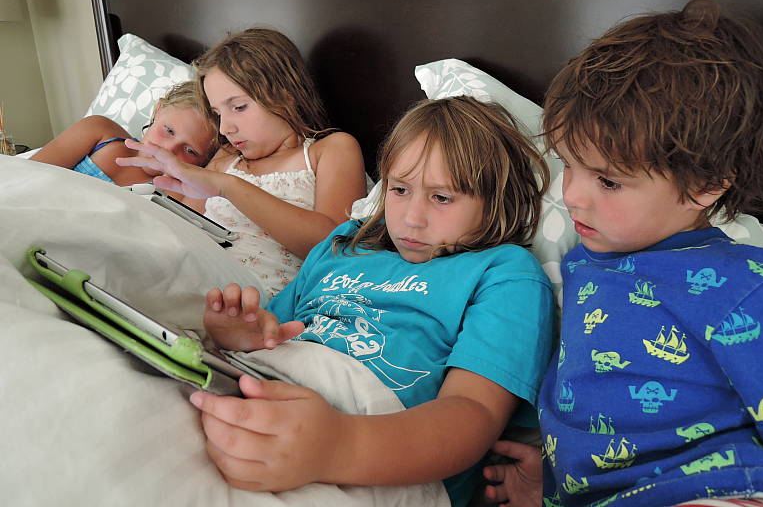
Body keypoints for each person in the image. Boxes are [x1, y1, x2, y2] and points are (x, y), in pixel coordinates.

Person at [482, 0, 763, 507]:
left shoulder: (756, 284)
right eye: (568, 164)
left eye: (608, 181)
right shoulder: (580, 262)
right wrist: (554, 483)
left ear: (704, 186)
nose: (572, 194)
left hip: (728, 487)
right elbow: (601, 412)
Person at [188, 96, 556, 507]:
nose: (411, 218)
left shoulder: (505, 273)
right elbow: (273, 337)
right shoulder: (346, 241)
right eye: (399, 189)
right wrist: (238, 336)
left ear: (496, 200)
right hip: (269, 396)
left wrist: (334, 446)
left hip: (373, 449)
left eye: (442, 197)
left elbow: (473, 413)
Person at [118, 28, 367, 298]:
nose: (225, 128)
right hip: (194, 278)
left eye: (238, 107)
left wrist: (230, 188)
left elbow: (332, 246)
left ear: (285, 94)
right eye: (217, 113)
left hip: (255, 299)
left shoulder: (330, 150)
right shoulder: (227, 159)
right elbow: (180, 232)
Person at [31, 81, 217, 189]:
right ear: (158, 110)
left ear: (203, 162)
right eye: (169, 131)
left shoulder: (179, 193)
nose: (168, 150)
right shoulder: (99, 132)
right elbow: (26, 174)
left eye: (190, 151)